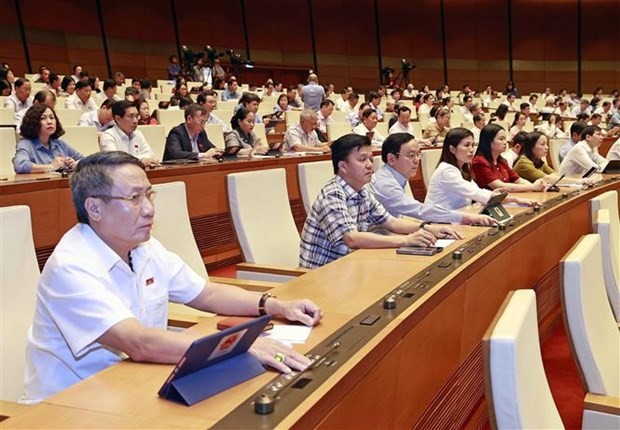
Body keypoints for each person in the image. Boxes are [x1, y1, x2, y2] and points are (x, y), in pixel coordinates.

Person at [20, 151, 322, 404]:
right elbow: (137, 342)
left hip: (136, 383)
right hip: (71, 404)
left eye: (149, 194)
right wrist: (237, 346)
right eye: (135, 198)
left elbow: (206, 294)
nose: (150, 209)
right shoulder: (70, 266)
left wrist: (275, 305)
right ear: (94, 208)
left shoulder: (144, 246)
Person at [299, 134, 462, 269]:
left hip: (352, 266)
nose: (370, 165)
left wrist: (430, 228)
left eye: (370, 159)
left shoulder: (362, 191)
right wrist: (406, 240)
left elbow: (390, 222)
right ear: (343, 166)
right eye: (362, 160)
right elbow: (352, 239)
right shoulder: (332, 195)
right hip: (323, 274)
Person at [370, 133, 495, 225]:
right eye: (411, 155)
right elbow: (419, 210)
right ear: (391, 159)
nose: (416, 160)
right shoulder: (385, 183)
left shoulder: (396, 175)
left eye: (418, 154)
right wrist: (466, 217)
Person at [425, 128, 536, 210]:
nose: (471, 149)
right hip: (438, 222)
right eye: (466, 145)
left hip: (458, 217)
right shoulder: (446, 171)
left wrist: (495, 194)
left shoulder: (463, 169)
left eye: (472, 145)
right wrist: (515, 199)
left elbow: (479, 193)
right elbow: (476, 193)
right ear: (452, 149)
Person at [471, 124, 545, 192]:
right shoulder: (479, 162)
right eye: (501, 139)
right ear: (489, 141)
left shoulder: (502, 161)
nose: (505, 142)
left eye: (505, 139)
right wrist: (532, 187)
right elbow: (499, 186)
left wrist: (535, 187)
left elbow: (518, 180)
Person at [13, 104, 82, 174]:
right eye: (43, 118)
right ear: (33, 122)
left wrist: (75, 164)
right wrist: (50, 167)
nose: (49, 122)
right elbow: (20, 165)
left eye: (52, 118)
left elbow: (86, 160)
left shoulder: (60, 143)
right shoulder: (26, 144)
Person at [99, 100, 159, 166]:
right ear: (118, 119)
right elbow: (115, 161)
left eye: (137, 116)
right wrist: (140, 161)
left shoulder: (138, 134)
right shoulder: (108, 136)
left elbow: (150, 154)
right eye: (131, 116)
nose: (135, 121)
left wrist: (137, 160)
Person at [513, 131, 584, 184]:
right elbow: (547, 179)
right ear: (531, 147)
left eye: (546, 144)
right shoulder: (523, 163)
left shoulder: (537, 160)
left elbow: (557, 174)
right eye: (543, 144)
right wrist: (578, 181)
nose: (547, 147)